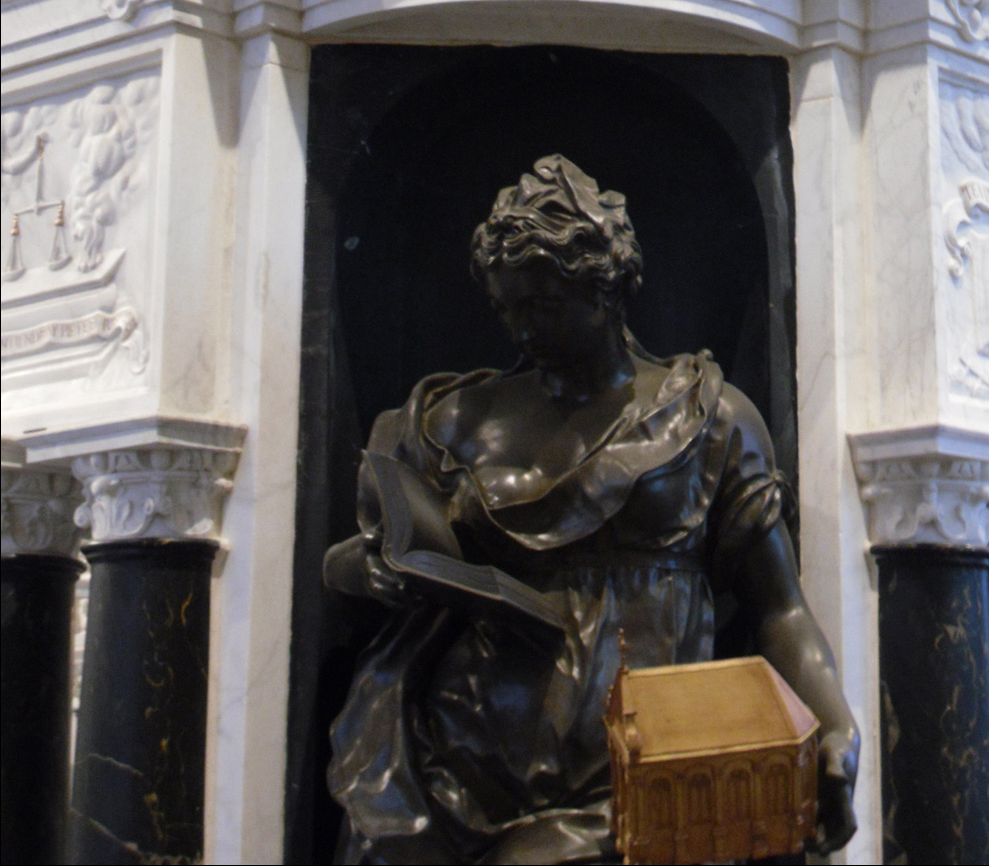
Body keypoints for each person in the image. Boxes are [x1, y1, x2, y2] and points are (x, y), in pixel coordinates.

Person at [325, 155, 858, 865]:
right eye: (506, 306)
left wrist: (832, 725)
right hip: (456, 770)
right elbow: (360, 554)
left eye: (542, 306)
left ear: (607, 289)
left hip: (651, 767)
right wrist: (372, 571)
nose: (521, 329)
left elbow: (778, 608)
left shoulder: (709, 419)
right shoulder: (453, 419)